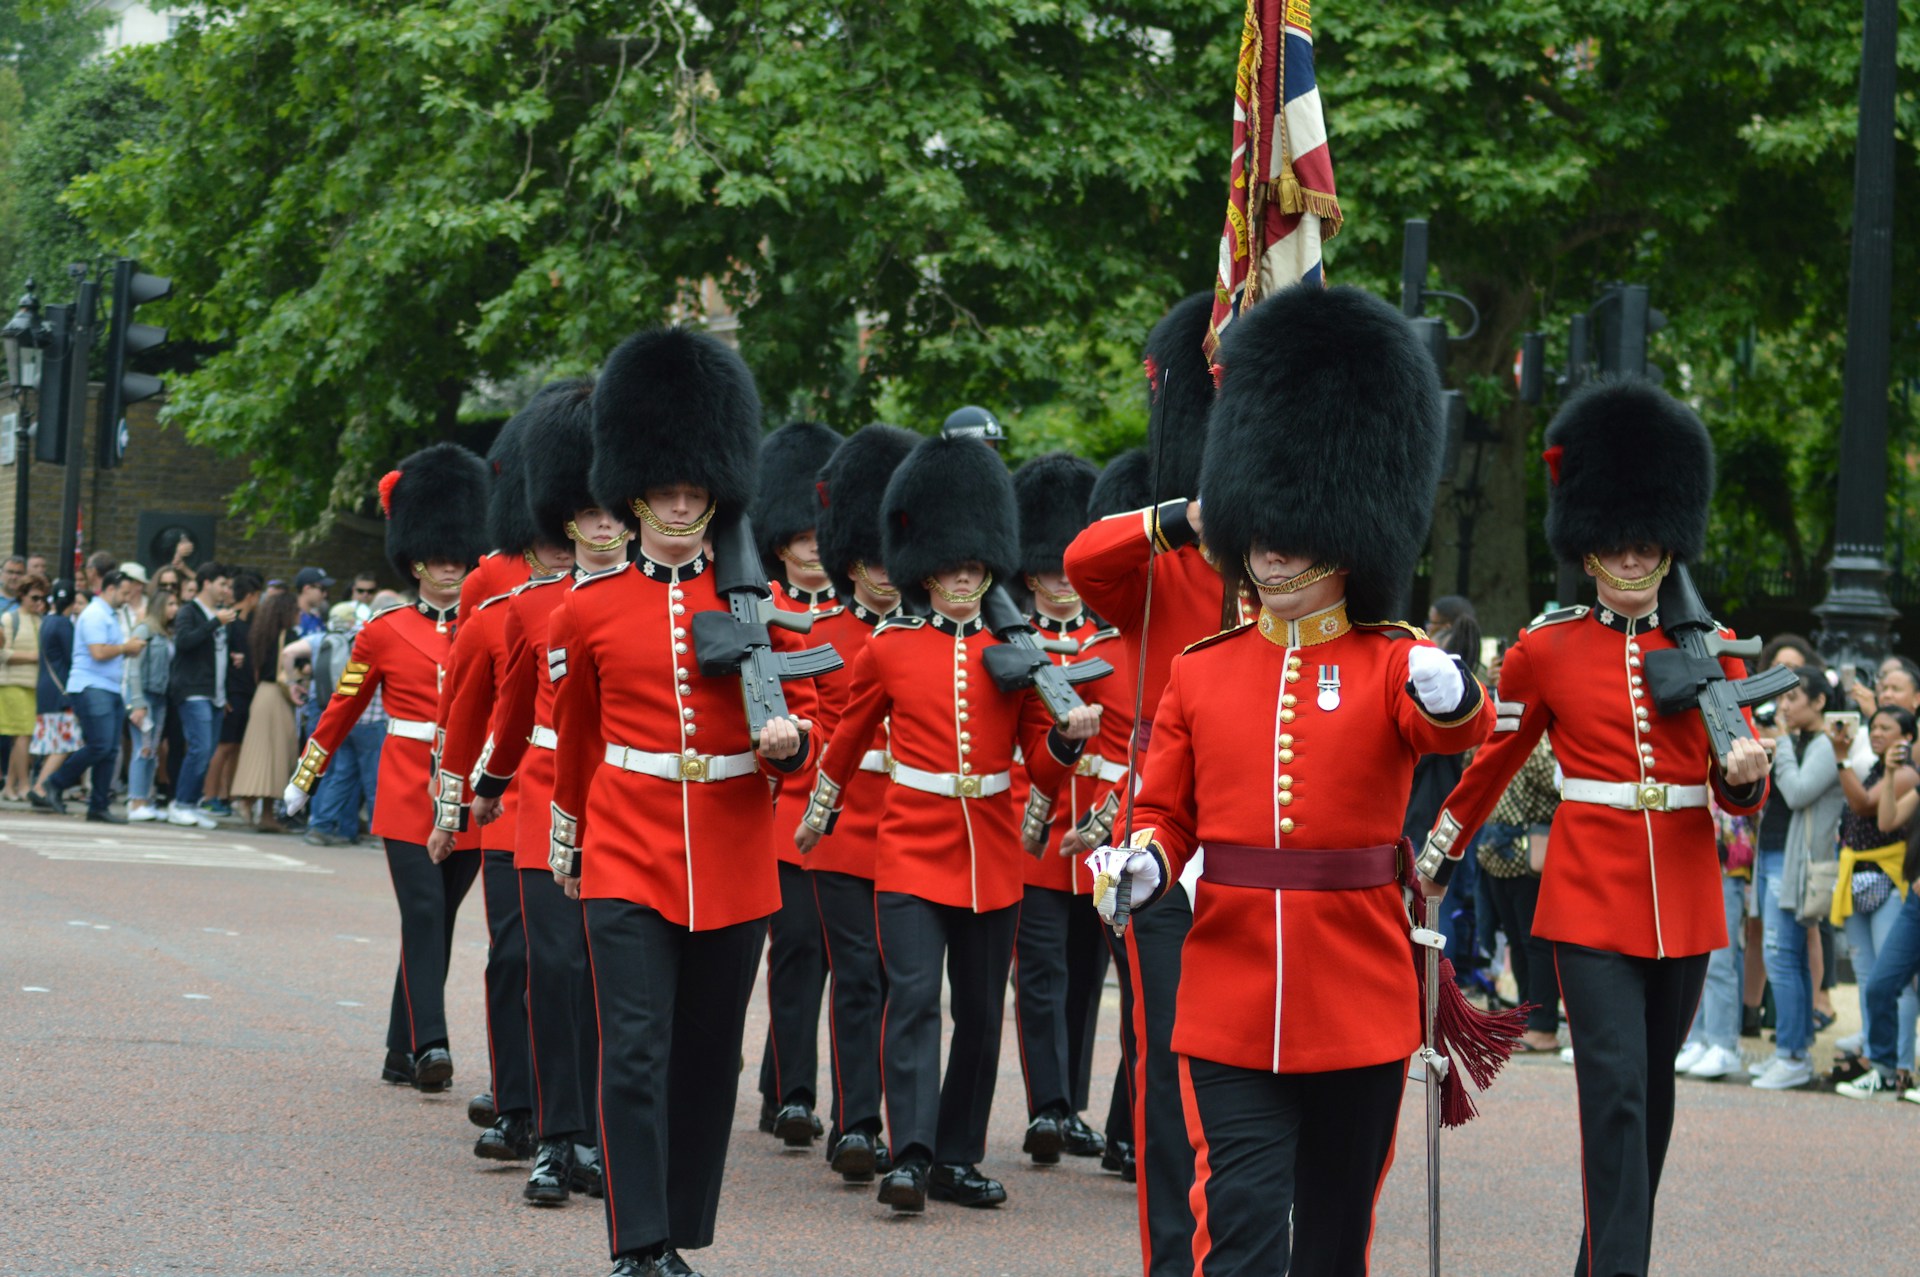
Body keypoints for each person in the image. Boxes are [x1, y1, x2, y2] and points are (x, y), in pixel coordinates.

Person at [1081, 283, 1494, 1277]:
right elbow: (1163, 809)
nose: (1271, 546)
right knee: (1242, 1222)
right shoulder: (1203, 666)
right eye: (1262, 526)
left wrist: (1450, 690)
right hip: (1228, 985)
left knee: (1336, 1242)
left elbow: (1457, 722)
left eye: (1295, 530)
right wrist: (1142, 855)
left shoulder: (1390, 659)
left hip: (1356, 984)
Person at [1423, 377, 1771, 1277]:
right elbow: (1493, 760)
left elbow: (1741, 774)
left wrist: (1743, 779)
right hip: (1587, 895)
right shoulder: (1548, 650)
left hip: (1685, 893)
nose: (1630, 559)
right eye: (1614, 546)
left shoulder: (1713, 645)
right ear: (1587, 552)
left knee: (1650, 1103)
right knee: (1612, 1089)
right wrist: (1437, 851)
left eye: (1646, 544)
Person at [543, 327, 818, 1276]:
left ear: (714, 494)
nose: (678, 504)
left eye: (694, 492)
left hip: (734, 849)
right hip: (627, 843)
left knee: (711, 1063)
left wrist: (791, 746)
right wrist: (569, 835)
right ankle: (639, 1240)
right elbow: (577, 733)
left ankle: (682, 1230)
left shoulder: (757, 601)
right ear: (633, 493)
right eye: (665, 490)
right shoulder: (587, 606)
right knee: (633, 1050)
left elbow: (806, 715)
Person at [796, 432, 1099, 1216]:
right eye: (952, 568)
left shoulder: (1014, 652)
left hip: (992, 852)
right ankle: (912, 1152)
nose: (965, 580)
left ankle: (958, 1155)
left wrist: (1067, 741)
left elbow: (1038, 760)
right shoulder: (891, 649)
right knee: (914, 999)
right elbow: (850, 737)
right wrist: (819, 812)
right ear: (926, 569)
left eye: (975, 568)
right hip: (908, 847)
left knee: (979, 1012)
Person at [282, 442, 491, 1093]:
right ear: (414, 557)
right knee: (425, 914)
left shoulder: (488, 624)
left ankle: (399, 1048)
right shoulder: (383, 628)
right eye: (436, 557)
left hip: (469, 792)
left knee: (439, 919)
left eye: (457, 556)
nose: (448, 568)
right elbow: (341, 708)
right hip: (405, 790)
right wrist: (305, 776)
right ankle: (431, 1043)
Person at [471, 381, 603, 1205]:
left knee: (607, 978)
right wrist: (482, 788)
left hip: (628, 806)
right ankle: (558, 1135)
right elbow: (512, 713)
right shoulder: (526, 607)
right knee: (548, 968)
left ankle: (599, 1130)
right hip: (544, 800)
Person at [427, 390, 560, 1167]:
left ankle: (562, 1104)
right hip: (508, 794)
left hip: (584, 793)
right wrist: (453, 803)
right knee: (513, 955)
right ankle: (518, 1102)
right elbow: (463, 701)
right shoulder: (490, 580)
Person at [796, 421, 919, 1184]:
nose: (879, 573)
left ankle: (910, 1129)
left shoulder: (929, 636)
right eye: (866, 560)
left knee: (909, 983)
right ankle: (857, 1120)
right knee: (859, 973)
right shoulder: (823, 631)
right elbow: (813, 725)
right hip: (844, 828)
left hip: (913, 823)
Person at [1005, 452, 1130, 1168]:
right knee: (1042, 971)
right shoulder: (1014, 638)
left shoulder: (1106, 638)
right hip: (1037, 823)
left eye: (1065, 568)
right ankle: (1047, 1105)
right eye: (1047, 570)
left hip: (1101, 833)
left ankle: (1073, 1104)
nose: (1058, 580)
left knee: (1088, 974)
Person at [750, 419, 842, 1147]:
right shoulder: (762, 605)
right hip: (782, 800)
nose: (813, 542)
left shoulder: (847, 612)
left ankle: (786, 1084)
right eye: (801, 533)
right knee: (798, 945)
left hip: (845, 797)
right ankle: (791, 1086)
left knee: (839, 955)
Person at [1731, 667, 1844, 1089]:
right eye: (1782, 700)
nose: (1785, 706)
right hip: (1772, 854)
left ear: (1819, 702)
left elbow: (1797, 792)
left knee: (1783, 956)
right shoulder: (1797, 741)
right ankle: (1790, 1051)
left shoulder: (1825, 744)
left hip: (1795, 862)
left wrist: (1780, 747)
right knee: (1785, 955)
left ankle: (1793, 1056)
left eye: (1794, 699)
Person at [1827, 706, 1919, 1086]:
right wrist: (1893, 770)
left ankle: (1902, 1069)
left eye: (1888, 728)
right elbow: (1884, 820)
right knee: (1881, 981)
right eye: (1875, 727)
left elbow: (1863, 804)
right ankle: (1884, 1068)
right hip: (1910, 897)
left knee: (1903, 984)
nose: (1879, 733)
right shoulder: (1909, 778)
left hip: (1889, 883)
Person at [1476, 735, 1565, 1055]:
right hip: (1496, 852)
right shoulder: (1498, 727)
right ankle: (1529, 1018)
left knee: (1536, 942)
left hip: (1531, 849)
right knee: (1516, 939)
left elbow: (1554, 780)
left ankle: (1543, 1027)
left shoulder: (1540, 737)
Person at [34, 569, 146, 822]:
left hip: (107, 687)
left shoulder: (108, 614)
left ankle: (98, 806)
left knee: (110, 750)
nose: (127, 598)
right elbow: (97, 652)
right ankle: (55, 783)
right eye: (124, 593)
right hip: (91, 686)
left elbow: (106, 651)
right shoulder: (96, 614)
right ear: (110, 589)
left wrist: (126, 650)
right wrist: (126, 648)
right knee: (100, 745)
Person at [283, 603, 383, 847]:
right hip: (372, 720)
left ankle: (321, 826)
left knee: (341, 776)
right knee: (374, 780)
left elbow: (289, 652)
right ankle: (380, 832)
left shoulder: (330, 639)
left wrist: (290, 681)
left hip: (345, 719)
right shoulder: (379, 640)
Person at [231, 590, 304, 833]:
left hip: (261, 694)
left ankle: (248, 801)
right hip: (279, 696)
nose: (299, 614)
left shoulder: (260, 634)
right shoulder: (290, 636)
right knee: (279, 755)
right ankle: (266, 814)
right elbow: (297, 669)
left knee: (259, 752)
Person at [171, 562, 236, 829]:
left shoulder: (219, 616)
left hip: (215, 694)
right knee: (199, 748)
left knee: (207, 751)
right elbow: (184, 641)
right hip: (193, 690)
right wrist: (214, 623)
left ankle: (192, 803)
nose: (226, 590)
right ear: (207, 583)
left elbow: (215, 652)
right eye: (222, 584)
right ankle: (181, 804)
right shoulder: (189, 611)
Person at [204, 571, 262, 816]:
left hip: (246, 691)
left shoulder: (249, 624)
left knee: (236, 746)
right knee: (224, 745)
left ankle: (226, 794)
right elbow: (221, 657)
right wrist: (224, 693)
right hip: (233, 691)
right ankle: (210, 795)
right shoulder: (231, 623)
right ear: (250, 596)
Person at [126, 586, 180, 822]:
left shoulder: (166, 633)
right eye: (170, 604)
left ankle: (144, 799)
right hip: (145, 696)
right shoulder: (144, 629)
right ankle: (136, 801)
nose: (175, 609)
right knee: (143, 748)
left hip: (159, 697)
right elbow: (133, 669)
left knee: (152, 751)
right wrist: (137, 702)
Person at [29, 582, 81, 799]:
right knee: (64, 742)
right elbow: (72, 657)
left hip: (46, 687)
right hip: (60, 689)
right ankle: (41, 787)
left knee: (55, 741)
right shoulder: (64, 624)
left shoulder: (47, 621)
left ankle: (40, 784)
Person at [0, 574, 50, 799]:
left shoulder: (40, 620)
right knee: (23, 734)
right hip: (13, 683)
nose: (38, 602)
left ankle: (10, 787)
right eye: (34, 597)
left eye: (42, 597)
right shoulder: (10, 619)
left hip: (34, 685)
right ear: (22, 595)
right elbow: (4, 653)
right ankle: (24, 785)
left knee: (23, 736)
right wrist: (34, 656)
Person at [294, 567, 333, 637]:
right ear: (307, 589)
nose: (325, 594)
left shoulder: (316, 618)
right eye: (322, 589)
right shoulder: (291, 618)